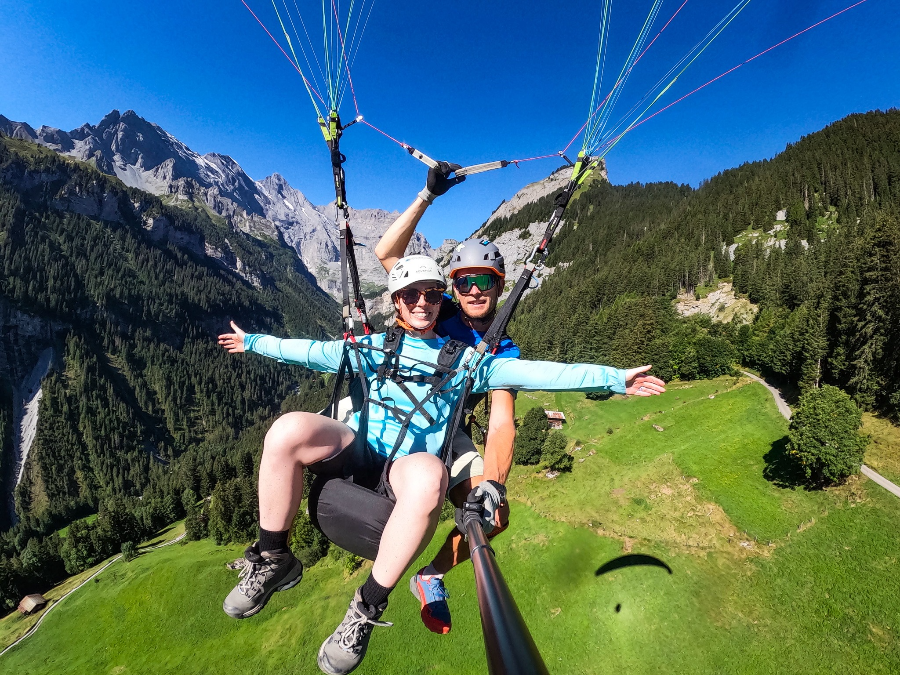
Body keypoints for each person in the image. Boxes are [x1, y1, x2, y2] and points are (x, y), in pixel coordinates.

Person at [217, 253, 665, 675]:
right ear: (397, 301)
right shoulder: (370, 347)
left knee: (432, 473)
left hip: (403, 469)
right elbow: (310, 351)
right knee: (287, 429)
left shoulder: (470, 363)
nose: (422, 302)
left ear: (439, 300)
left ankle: (365, 607)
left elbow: (537, 372)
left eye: (432, 294)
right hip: (360, 448)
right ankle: (273, 557)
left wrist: (613, 379)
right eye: (411, 294)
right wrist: (252, 342)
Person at [373, 164, 517, 635]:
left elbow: (501, 422)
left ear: (499, 286)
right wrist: (427, 195)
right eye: (465, 281)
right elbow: (387, 254)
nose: (474, 291)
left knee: (494, 515)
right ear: (452, 287)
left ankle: (430, 574)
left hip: (451, 430)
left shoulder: (503, 349)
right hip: (403, 410)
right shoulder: (435, 309)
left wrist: (493, 483)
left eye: (485, 281)